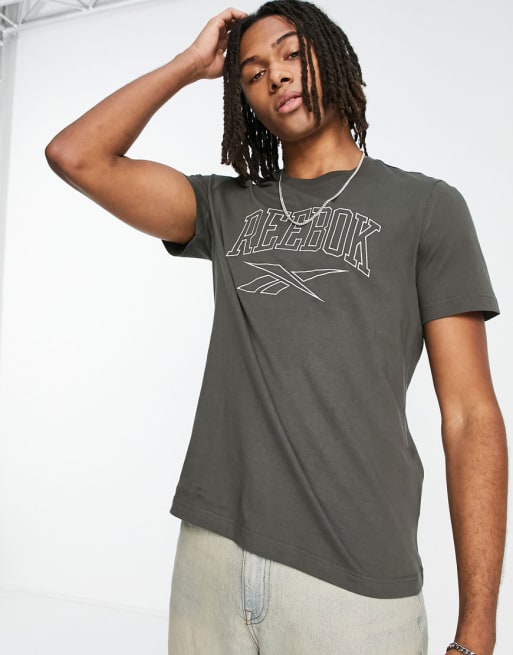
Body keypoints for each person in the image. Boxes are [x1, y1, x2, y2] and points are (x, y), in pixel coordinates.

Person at [45, 2, 507, 654]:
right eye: (254, 72)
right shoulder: (224, 206)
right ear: (246, 103)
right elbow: (75, 156)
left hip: (353, 578)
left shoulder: (426, 207)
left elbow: (469, 415)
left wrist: (477, 627)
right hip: (212, 554)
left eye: (292, 53)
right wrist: (189, 65)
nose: (277, 76)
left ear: (333, 57)